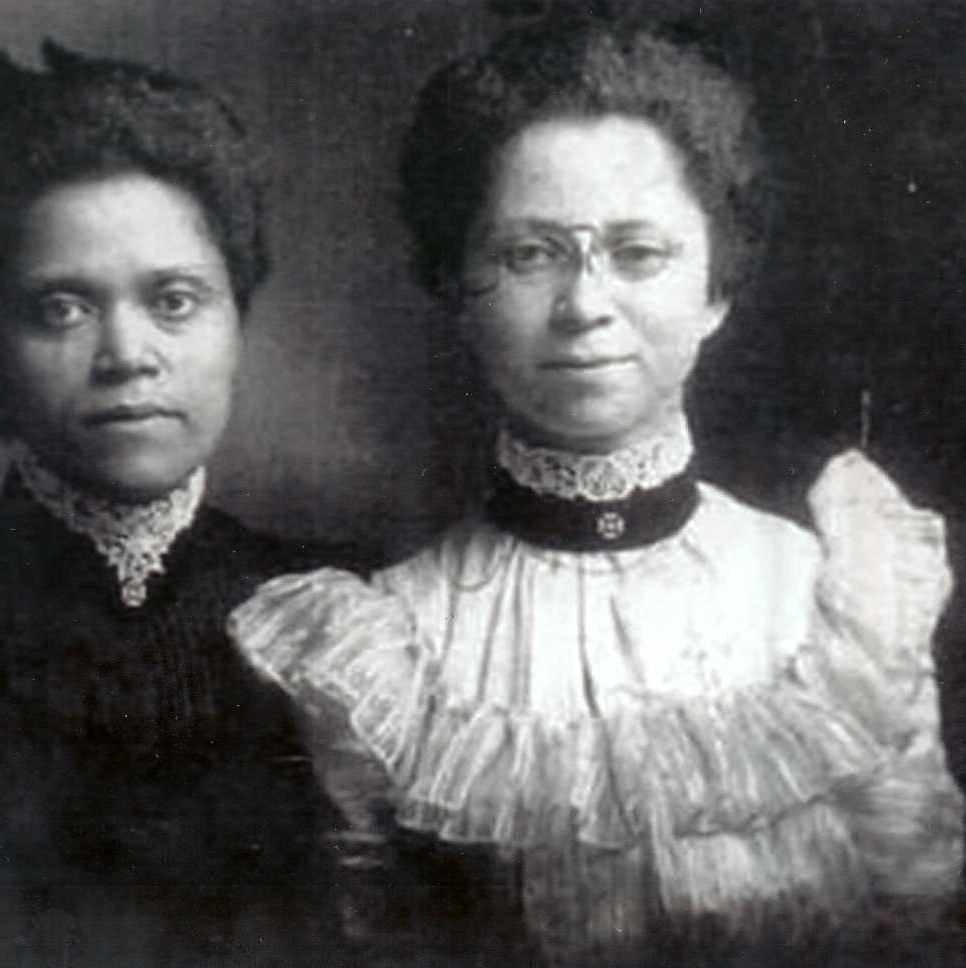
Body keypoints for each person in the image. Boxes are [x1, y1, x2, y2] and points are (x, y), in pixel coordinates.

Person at [229, 20, 965, 966]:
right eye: (530, 253)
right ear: (457, 285)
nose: (584, 305)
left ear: (715, 289)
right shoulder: (381, 651)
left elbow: (927, 922)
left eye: (638, 252)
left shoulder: (831, 600)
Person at [0, 41, 354, 967]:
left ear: (235, 322)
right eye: (61, 309)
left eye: (175, 301)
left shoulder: (342, 615)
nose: (127, 353)